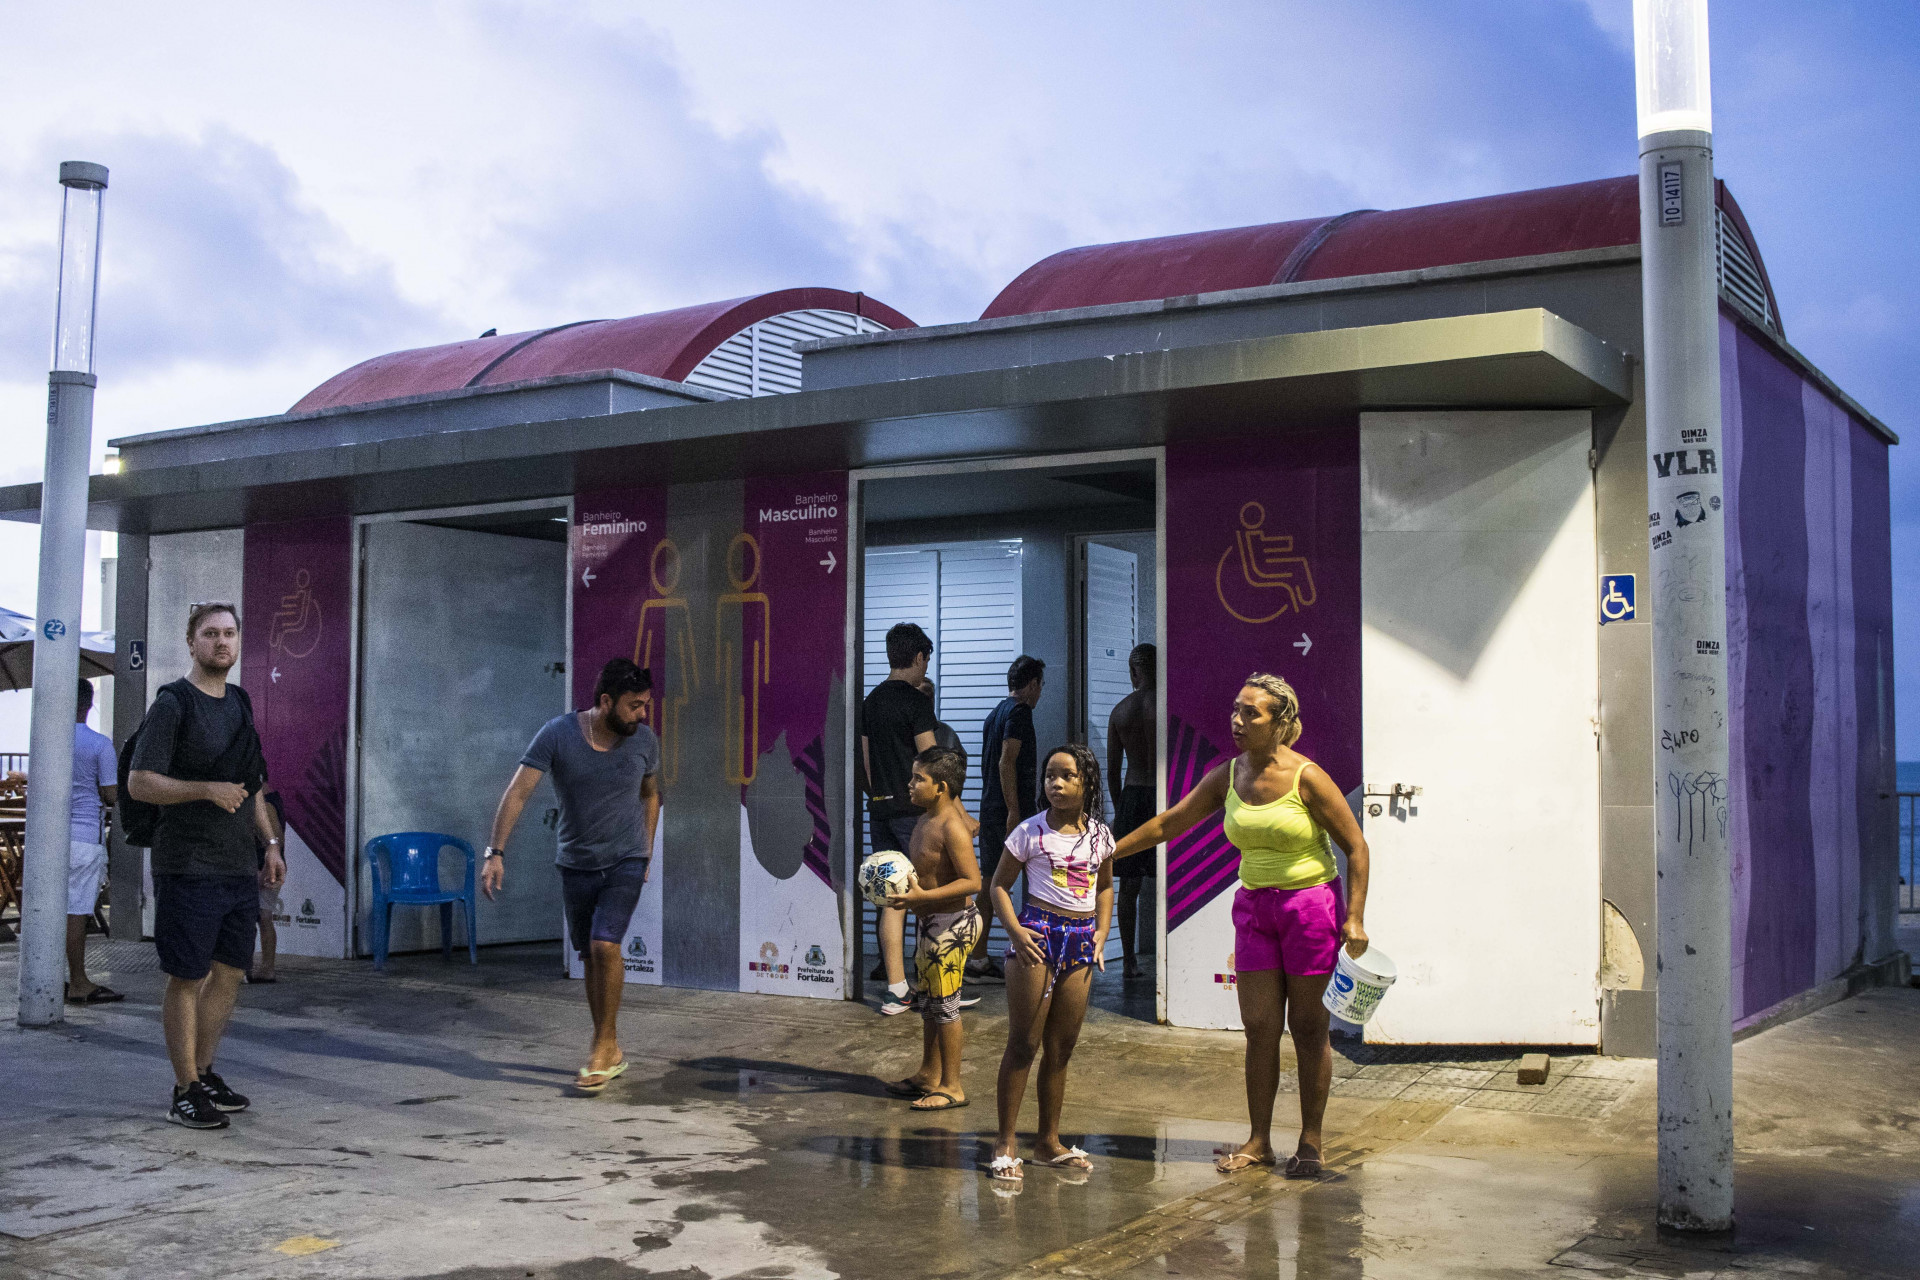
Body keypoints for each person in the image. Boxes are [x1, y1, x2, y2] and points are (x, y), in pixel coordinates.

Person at [1111, 673, 1371, 1178]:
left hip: (1309, 908)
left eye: (1251, 713)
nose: (1237, 720)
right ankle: (1259, 1141)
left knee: (1309, 1030)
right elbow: (1169, 822)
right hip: (1254, 909)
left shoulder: (1308, 778)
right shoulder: (1227, 776)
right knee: (1259, 1030)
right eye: (1236, 709)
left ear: (1280, 722)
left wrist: (1355, 917)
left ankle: (1311, 1142)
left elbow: (1356, 847)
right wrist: (1108, 853)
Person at [127, 603, 283, 1130]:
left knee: (231, 973)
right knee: (187, 976)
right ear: (191, 642)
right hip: (187, 863)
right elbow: (140, 782)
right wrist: (205, 789)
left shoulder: (239, 702)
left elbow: (253, 786)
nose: (222, 642)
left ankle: (205, 1071)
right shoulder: (173, 704)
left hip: (237, 864)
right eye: (211, 633)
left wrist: (271, 844)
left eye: (230, 633)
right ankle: (184, 1090)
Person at [483, 658, 660, 1093]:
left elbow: (651, 794)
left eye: (646, 705)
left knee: (605, 945)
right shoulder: (557, 734)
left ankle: (603, 1044)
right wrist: (495, 852)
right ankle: (608, 1046)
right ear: (606, 702)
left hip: (626, 859)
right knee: (588, 955)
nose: (643, 714)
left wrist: (647, 849)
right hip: (577, 862)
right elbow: (518, 792)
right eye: (635, 705)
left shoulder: (645, 740)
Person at [987, 743, 1113, 1182]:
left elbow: (1104, 886)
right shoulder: (1029, 831)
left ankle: (1047, 1142)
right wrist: (1015, 932)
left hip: (1080, 942)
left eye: (1066, 776)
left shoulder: (1100, 836)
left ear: (1087, 782)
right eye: (1049, 776)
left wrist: (1102, 931)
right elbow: (998, 886)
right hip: (1037, 939)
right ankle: (1005, 1142)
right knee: (1024, 1043)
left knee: (1061, 1048)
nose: (1055, 784)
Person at [880, 747, 982, 1112]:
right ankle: (928, 1075)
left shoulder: (952, 827)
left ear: (941, 787)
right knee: (929, 1004)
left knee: (946, 1007)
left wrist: (924, 896)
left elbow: (973, 882)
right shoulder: (925, 818)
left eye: (918, 779)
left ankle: (952, 1086)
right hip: (930, 924)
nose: (910, 784)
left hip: (953, 925)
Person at [861, 623, 937, 1016]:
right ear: (919, 656)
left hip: (880, 810)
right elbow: (932, 762)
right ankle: (934, 987)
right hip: (915, 814)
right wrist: (952, 812)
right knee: (930, 897)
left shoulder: (870, 701)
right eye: (927, 660)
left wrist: (878, 797)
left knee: (892, 897)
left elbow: (865, 762)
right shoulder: (916, 701)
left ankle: (896, 990)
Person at [967, 654, 1045, 984]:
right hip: (1009, 813)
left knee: (989, 885)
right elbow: (1005, 761)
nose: (1040, 693)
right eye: (1041, 685)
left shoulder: (995, 713)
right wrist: (1014, 810)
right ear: (1032, 684)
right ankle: (1032, 953)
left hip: (991, 808)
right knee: (1022, 881)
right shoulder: (1019, 712)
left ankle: (978, 959)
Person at [62, 679, 123, 1005]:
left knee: (52, 909)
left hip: (49, 839)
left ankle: (49, 975)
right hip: (85, 837)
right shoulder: (99, 744)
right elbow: (111, 795)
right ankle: (79, 981)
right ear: (88, 704)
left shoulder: (47, 740)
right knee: (76, 912)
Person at [1106, 644, 1156, 981]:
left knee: (1129, 886)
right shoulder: (1166, 707)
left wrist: (1120, 807)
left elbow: (1112, 771)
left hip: (1133, 797)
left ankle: (1128, 961)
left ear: (1134, 671)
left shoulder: (1120, 711)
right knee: (1172, 877)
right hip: (1165, 797)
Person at [251, 786, 286, 983]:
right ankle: (264, 967)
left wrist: (266, 867)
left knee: (262, 917)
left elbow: (277, 839)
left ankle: (265, 968)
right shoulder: (271, 801)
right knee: (262, 917)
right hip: (265, 866)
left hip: (263, 867)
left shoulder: (266, 804)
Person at [916, 678, 968, 789]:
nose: (926, 701)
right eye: (921, 696)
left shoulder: (947, 733)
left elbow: (960, 767)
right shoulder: (899, 731)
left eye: (929, 697)